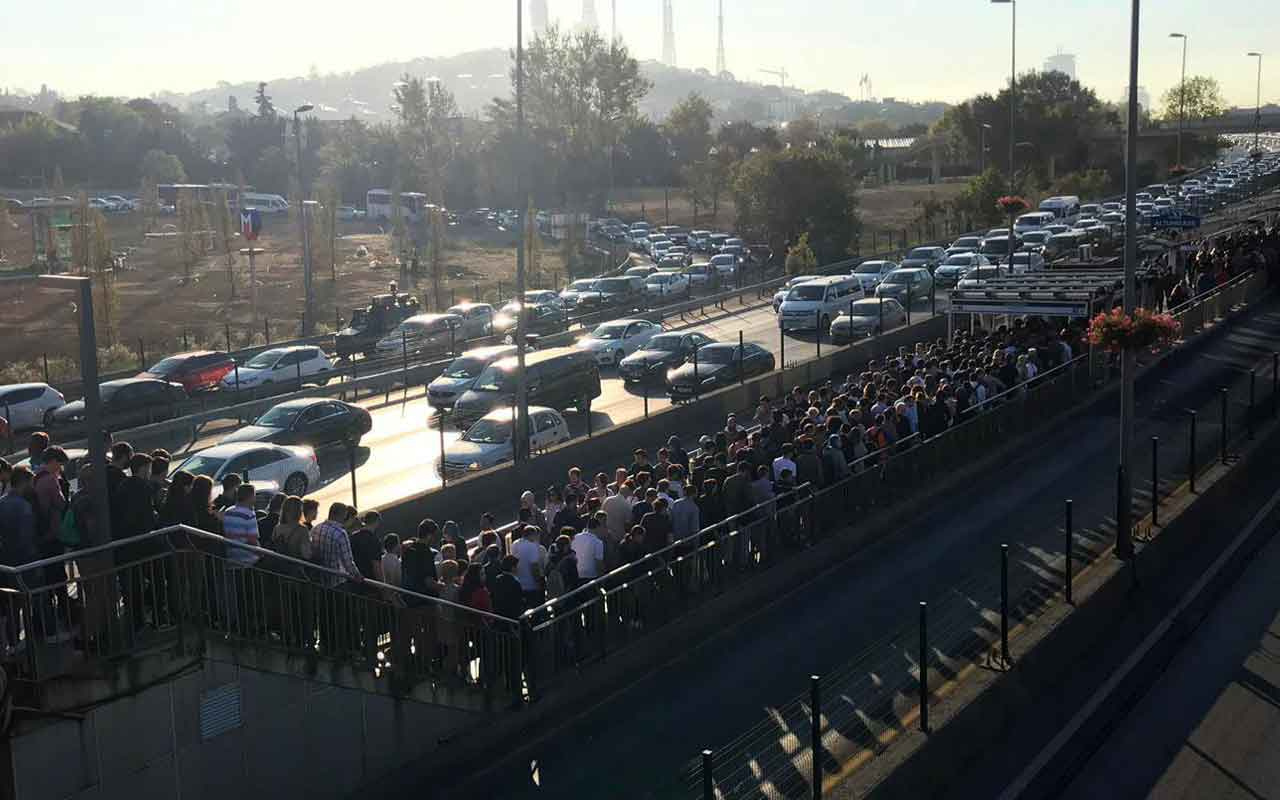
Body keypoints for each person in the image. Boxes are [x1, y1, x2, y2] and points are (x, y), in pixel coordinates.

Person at [310, 503, 363, 589]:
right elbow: (348, 562)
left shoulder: (316, 528)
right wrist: (358, 575)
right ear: (341, 515)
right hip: (336, 581)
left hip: (319, 578)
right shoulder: (340, 533)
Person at [0, 466, 37, 567]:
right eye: (31, 482)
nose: (33, 486)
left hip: (6, 558)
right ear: (25, 483)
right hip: (24, 560)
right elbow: (26, 538)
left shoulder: (1, 502)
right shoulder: (24, 506)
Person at [220, 484, 261, 567]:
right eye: (254, 495)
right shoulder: (249, 515)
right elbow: (252, 539)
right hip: (247, 559)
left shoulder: (228, 511)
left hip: (231, 557)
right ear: (250, 497)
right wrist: (261, 553)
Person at [511, 524, 548, 608]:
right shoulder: (532, 546)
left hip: (519, 584)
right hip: (531, 585)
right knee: (536, 609)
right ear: (532, 535)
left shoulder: (514, 544)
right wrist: (539, 583)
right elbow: (534, 566)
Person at [271, 496, 311, 561]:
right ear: (299, 511)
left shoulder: (277, 528)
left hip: (277, 565)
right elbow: (306, 555)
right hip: (294, 566)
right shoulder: (302, 530)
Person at [348, 511, 384, 581]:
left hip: (355, 580)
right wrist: (383, 586)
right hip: (370, 582)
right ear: (376, 522)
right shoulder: (374, 540)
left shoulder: (353, 537)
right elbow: (376, 565)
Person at [573, 513, 607, 581]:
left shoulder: (575, 537)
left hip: (575, 575)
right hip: (590, 577)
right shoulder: (598, 542)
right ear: (598, 527)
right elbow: (599, 564)